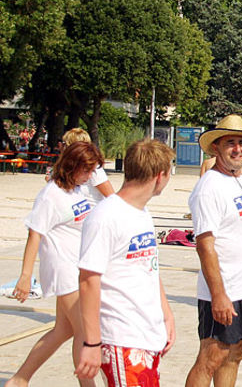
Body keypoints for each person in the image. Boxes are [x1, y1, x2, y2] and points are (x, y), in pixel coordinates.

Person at [75, 139, 176, 386]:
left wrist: (166, 314)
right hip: (122, 337)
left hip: (146, 334)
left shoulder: (142, 213)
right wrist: (91, 342)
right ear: (160, 176)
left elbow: (149, 267)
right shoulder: (106, 216)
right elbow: (88, 280)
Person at [6, 142, 102, 387]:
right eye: (87, 170)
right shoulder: (51, 195)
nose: (90, 175)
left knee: (63, 330)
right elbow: (34, 233)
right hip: (63, 269)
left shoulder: (77, 190)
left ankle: (19, 379)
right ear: (73, 166)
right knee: (85, 331)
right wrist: (25, 276)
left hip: (78, 266)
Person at [185, 115, 242, 387]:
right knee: (211, 357)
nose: (238, 149)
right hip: (224, 291)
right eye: (230, 143)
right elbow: (205, 245)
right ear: (216, 149)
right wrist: (218, 295)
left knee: (236, 353)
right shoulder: (208, 188)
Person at [54, 128, 115, 205]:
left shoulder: (93, 167)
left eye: (64, 143)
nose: (62, 146)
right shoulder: (67, 166)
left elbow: (111, 196)